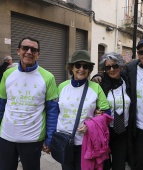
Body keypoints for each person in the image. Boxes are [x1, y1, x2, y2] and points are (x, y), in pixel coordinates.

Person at [93, 37, 143, 170]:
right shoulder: (132, 69)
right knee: (138, 165)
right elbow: (112, 73)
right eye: (141, 52)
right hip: (138, 131)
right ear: (138, 55)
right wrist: (96, 76)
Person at [0, 36, 58, 170]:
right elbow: (1, 105)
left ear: (38, 54)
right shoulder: (7, 74)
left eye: (34, 49)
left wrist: (49, 139)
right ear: (18, 51)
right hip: (6, 137)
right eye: (25, 48)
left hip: (32, 139)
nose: (29, 52)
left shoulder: (48, 77)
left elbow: (52, 111)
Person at [56, 50, 111, 170]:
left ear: (89, 69)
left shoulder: (95, 88)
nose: (81, 69)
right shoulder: (62, 86)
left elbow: (107, 113)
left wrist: (91, 126)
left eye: (85, 66)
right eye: (78, 65)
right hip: (64, 141)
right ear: (71, 67)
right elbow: (55, 112)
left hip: (84, 143)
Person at [92, 52, 131, 170]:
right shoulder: (100, 83)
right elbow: (90, 103)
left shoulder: (127, 81)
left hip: (122, 131)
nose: (112, 69)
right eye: (108, 67)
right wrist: (94, 112)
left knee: (119, 165)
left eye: (115, 66)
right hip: (105, 131)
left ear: (121, 66)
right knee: (104, 165)